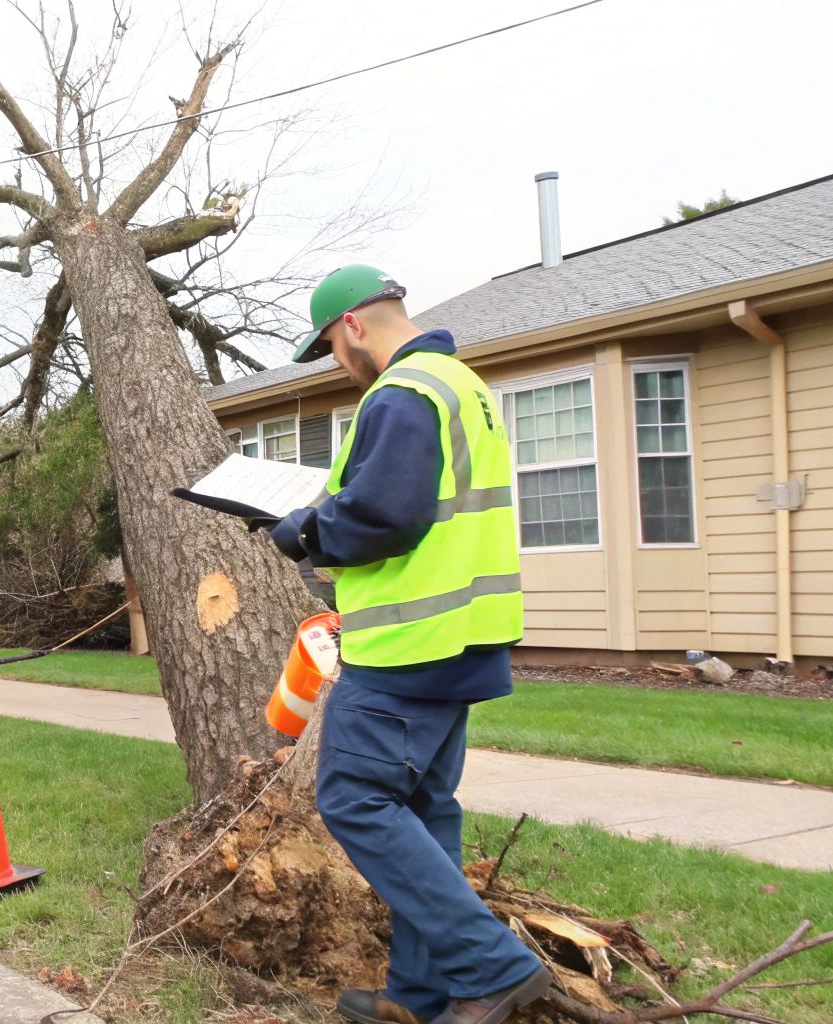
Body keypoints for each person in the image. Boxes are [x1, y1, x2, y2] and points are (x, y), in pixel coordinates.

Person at [265, 265, 551, 1024]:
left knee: (354, 799)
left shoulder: (401, 392)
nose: (335, 361)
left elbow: (387, 514)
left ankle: (492, 967)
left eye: (330, 345)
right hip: (464, 637)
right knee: (423, 809)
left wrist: (302, 532)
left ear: (354, 323)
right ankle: (423, 998)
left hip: (407, 645)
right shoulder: (462, 384)